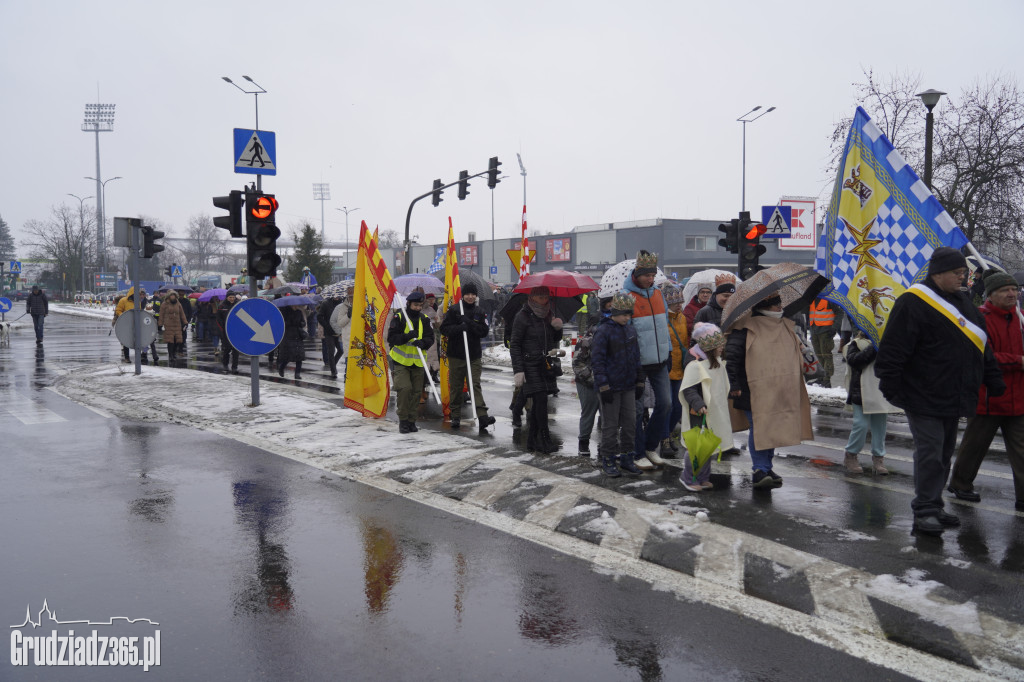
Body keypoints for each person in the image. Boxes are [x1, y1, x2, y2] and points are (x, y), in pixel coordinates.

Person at [875, 247, 1006, 536]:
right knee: (930, 452)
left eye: (964, 273)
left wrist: (993, 380)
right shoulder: (913, 302)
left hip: (954, 392)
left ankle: (934, 504)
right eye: (958, 273)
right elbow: (894, 348)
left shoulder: (963, 302)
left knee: (944, 452)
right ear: (938, 273)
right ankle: (924, 511)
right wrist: (890, 384)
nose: (963, 277)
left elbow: (981, 346)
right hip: (922, 392)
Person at [948, 270, 1024, 510]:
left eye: (1014, 289)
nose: (1012, 294)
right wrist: (1019, 362)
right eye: (1005, 290)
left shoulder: (1021, 318)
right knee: (975, 446)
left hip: (1019, 398)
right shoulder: (979, 318)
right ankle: (960, 483)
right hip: (988, 397)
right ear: (991, 295)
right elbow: (983, 355)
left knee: (1022, 451)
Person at [725, 294, 813, 489]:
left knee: (770, 427)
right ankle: (759, 469)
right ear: (766, 306)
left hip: (778, 389)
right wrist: (735, 385)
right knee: (759, 427)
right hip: (751, 388)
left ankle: (766, 467)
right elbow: (732, 358)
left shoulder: (784, 325)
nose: (781, 307)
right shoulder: (745, 327)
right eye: (777, 304)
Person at [623, 250, 673, 470]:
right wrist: (632, 362)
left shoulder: (658, 295)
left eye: (653, 275)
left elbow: (664, 327)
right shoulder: (626, 297)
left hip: (660, 360)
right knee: (635, 410)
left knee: (666, 404)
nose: (650, 279)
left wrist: (669, 351)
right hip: (638, 364)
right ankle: (637, 450)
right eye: (646, 275)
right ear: (637, 273)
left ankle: (651, 446)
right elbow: (625, 333)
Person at [591, 292, 644, 477]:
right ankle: (608, 458)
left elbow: (637, 356)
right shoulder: (603, 331)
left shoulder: (630, 330)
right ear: (614, 312)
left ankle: (628, 458)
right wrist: (603, 386)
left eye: (629, 314)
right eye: (624, 314)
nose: (627, 318)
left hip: (628, 385)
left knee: (630, 423)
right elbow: (597, 361)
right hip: (610, 387)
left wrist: (640, 380)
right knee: (610, 426)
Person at [510, 286, 563, 454]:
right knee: (541, 401)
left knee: (540, 403)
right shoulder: (522, 316)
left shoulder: (548, 314)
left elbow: (553, 340)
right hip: (529, 364)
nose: (544, 300)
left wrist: (557, 328)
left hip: (544, 365)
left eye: (546, 297)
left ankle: (533, 441)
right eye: (540, 297)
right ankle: (544, 439)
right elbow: (515, 344)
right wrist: (518, 370)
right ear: (532, 298)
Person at [679, 323, 731, 491]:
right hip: (699, 411)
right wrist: (698, 403)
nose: (722, 347)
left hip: (713, 411)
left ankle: (703, 477)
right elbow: (689, 388)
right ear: (710, 347)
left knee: (709, 445)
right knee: (697, 446)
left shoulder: (717, 363)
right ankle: (688, 478)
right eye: (719, 344)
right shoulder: (696, 366)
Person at [440, 282, 496, 432]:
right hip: (456, 355)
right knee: (457, 386)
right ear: (463, 295)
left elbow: (483, 331)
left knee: (474, 385)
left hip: (474, 355)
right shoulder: (454, 310)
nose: (470, 297)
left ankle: (482, 416)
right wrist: (459, 328)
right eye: (467, 294)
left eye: (473, 294)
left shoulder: (480, 311)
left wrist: (469, 324)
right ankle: (456, 415)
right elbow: (444, 329)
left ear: (476, 295)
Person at [843, 330, 896, 474]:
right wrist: (874, 347)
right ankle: (851, 455)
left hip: (880, 391)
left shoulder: (889, 341)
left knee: (880, 427)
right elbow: (854, 361)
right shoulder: (856, 343)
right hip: (861, 391)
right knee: (860, 424)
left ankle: (878, 458)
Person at [388, 291, 435, 434]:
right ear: (408, 303)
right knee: (404, 389)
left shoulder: (424, 319)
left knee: (416, 393)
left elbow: (430, 338)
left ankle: (412, 420)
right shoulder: (400, 317)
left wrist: (423, 343)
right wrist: (407, 336)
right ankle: (403, 420)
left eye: (420, 305)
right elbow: (392, 338)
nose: (418, 308)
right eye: (415, 305)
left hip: (418, 363)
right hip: (401, 361)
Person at [573, 296, 613, 461]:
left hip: (605, 383)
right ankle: (583, 442)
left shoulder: (613, 339)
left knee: (607, 415)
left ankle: (605, 445)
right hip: (587, 383)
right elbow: (577, 364)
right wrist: (593, 379)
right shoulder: (586, 342)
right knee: (589, 412)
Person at [663, 286, 690, 456]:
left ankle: (667, 433)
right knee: (668, 406)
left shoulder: (683, 318)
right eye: (674, 303)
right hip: (667, 368)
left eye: (680, 301)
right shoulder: (663, 320)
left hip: (681, 367)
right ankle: (664, 439)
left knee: (678, 407)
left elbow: (686, 343)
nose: (679, 305)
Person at [809, 297, 841, 387]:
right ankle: (822, 376)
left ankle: (827, 379)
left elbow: (839, 313)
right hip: (814, 331)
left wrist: (834, 327)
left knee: (826, 355)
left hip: (826, 331)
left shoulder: (828, 298)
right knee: (819, 355)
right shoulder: (811, 299)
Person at [277, 304, 307, 380]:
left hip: (298, 335)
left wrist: (301, 323)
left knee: (299, 356)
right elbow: (282, 323)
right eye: (295, 305)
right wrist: (291, 321)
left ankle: (297, 373)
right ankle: (281, 367)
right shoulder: (284, 312)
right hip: (288, 336)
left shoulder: (299, 312)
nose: (297, 306)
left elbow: (303, 322)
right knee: (288, 356)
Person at [317, 293, 344, 378]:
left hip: (339, 330)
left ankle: (333, 364)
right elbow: (319, 316)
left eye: (338, 295)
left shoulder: (342, 304)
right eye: (335, 295)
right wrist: (326, 325)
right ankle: (333, 370)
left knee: (341, 350)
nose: (336, 297)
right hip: (329, 331)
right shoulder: (326, 303)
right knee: (331, 351)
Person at [160, 291, 189, 365]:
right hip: (168, 324)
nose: (173, 297)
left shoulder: (178, 303)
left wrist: (185, 322)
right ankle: (171, 355)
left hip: (177, 324)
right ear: (169, 296)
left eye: (174, 295)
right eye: (171, 295)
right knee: (170, 341)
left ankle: (174, 353)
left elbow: (182, 313)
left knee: (177, 340)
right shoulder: (164, 304)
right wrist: (160, 324)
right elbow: (161, 314)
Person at [216, 292, 240, 373]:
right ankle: (225, 365)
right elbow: (219, 320)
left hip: (236, 331)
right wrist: (222, 331)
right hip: (226, 332)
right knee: (227, 349)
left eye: (233, 297)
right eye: (230, 297)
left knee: (236, 351)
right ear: (227, 297)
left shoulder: (237, 305)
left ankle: (234, 367)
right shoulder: (222, 306)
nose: (232, 299)